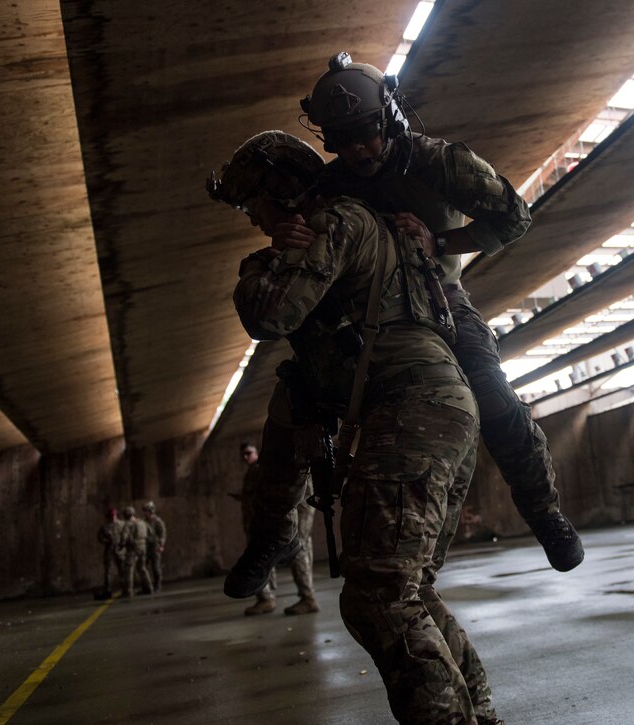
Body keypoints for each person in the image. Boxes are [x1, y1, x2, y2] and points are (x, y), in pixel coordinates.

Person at [208, 131, 499, 723]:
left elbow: (270, 313)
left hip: (410, 413)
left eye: (254, 204)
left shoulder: (334, 224)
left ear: (281, 192)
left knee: (378, 600)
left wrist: (261, 264)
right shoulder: (353, 225)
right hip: (443, 412)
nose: (255, 220)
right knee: (408, 590)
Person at [296, 51, 583, 572]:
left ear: (388, 119)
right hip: (365, 317)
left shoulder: (436, 162)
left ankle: (544, 514)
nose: (358, 150)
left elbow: (513, 216)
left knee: (494, 398)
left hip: (440, 299)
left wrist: (440, 240)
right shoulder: (330, 188)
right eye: (343, 141)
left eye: (366, 133)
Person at [239, 442, 319, 616]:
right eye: (243, 455)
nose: (246, 457)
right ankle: (268, 598)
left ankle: (307, 598)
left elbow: (298, 493)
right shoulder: (258, 469)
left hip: (296, 511)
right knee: (269, 550)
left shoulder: (285, 462)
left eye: (249, 453)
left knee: (298, 549)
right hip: (280, 513)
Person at [120, 505, 153, 598]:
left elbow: (124, 537)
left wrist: (122, 545)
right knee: (142, 568)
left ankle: (128, 591)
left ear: (126, 515)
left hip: (133, 549)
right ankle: (148, 588)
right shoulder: (142, 522)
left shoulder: (128, 524)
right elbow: (150, 533)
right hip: (143, 547)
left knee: (129, 569)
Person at [96, 507, 125, 595]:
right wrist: (107, 541)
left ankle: (124, 588)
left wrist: (123, 543)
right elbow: (100, 538)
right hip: (110, 549)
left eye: (114, 516)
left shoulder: (122, 524)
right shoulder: (105, 526)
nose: (113, 517)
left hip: (120, 549)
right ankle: (108, 589)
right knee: (108, 571)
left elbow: (127, 534)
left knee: (122, 569)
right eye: (112, 516)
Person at [142, 500, 167, 593]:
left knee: (156, 567)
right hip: (146, 546)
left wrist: (161, 545)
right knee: (143, 567)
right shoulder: (144, 521)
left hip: (154, 546)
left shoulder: (157, 521)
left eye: (146, 511)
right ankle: (147, 587)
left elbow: (162, 534)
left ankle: (157, 586)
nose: (145, 513)